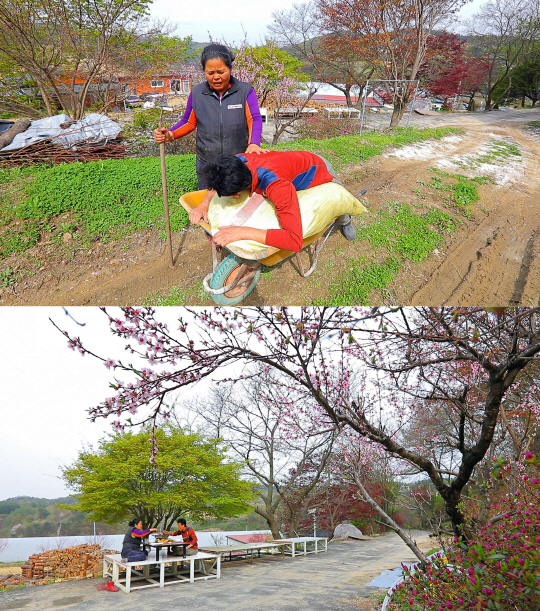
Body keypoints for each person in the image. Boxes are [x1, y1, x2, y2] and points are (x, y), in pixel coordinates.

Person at [154, 43, 267, 213]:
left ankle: (234, 236)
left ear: (230, 68)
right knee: (209, 207)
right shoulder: (198, 93)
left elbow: (254, 119)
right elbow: (189, 122)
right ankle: (212, 237)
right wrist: (171, 134)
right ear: (204, 72)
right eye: (210, 73)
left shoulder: (245, 91)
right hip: (208, 162)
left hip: (238, 162)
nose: (216, 77)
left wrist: (253, 143)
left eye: (221, 72)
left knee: (238, 205)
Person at [190, 150, 357, 253]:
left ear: (236, 194)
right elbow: (217, 180)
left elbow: (294, 241)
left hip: (319, 167)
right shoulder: (237, 160)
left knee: (341, 197)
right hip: (293, 160)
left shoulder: (277, 186)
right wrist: (203, 205)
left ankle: (346, 221)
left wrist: (241, 231)